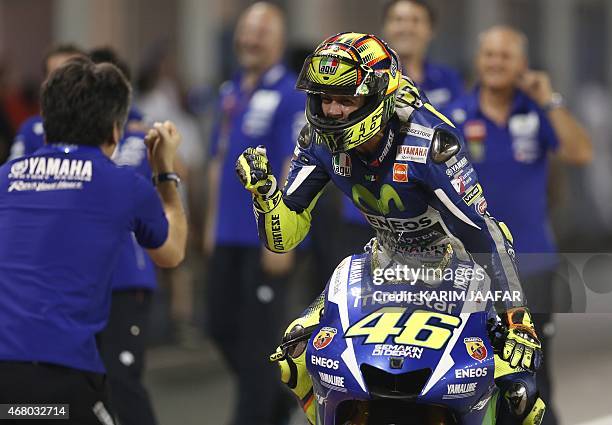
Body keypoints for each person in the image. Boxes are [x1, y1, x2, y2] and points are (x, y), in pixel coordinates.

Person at [236, 32, 545, 424]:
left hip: (457, 265)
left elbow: (483, 233)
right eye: (324, 98)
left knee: (519, 389)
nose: (331, 111)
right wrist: (265, 196)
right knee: (294, 355)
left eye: (346, 99)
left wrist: (518, 317)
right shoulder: (316, 138)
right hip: (383, 258)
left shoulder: (429, 142)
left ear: (378, 97)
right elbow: (286, 237)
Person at [0, 57, 187, 424]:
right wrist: (165, 170)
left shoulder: (5, 176)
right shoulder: (121, 185)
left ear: (46, 123)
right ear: (115, 132)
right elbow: (171, 251)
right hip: (61, 375)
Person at [443, 25, 592, 425]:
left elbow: (580, 152)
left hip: (533, 265)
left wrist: (549, 98)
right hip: (470, 270)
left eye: (505, 56)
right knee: (471, 374)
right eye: (489, 54)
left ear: (522, 64)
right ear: (478, 60)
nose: (495, 63)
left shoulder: (537, 112)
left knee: (533, 378)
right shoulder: (453, 115)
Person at [204, 2, 305, 424]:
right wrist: (209, 225)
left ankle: (255, 414)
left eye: (261, 32)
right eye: (246, 31)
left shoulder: (289, 93)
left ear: (279, 40)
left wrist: (280, 236)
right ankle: (279, 402)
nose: (250, 39)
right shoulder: (231, 93)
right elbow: (217, 160)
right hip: (226, 235)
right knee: (219, 326)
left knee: (258, 342)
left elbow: (293, 166)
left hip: (263, 237)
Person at [338, 0, 465, 264]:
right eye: (398, 19)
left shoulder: (448, 80)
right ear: (385, 27)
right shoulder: (360, 79)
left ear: (430, 30)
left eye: (415, 20)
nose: (406, 27)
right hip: (366, 213)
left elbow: (454, 139)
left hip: (429, 217)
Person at [89, 47, 160, 425]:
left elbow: (166, 196)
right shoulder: (65, 143)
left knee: (121, 380)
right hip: (80, 281)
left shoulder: (142, 137)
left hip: (126, 277)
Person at [8, 43, 85, 161]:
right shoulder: (31, 129)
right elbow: (12, 173)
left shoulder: (106, 129)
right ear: (45, 83)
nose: (65, 83)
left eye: (73, 76)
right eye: (56, 75)